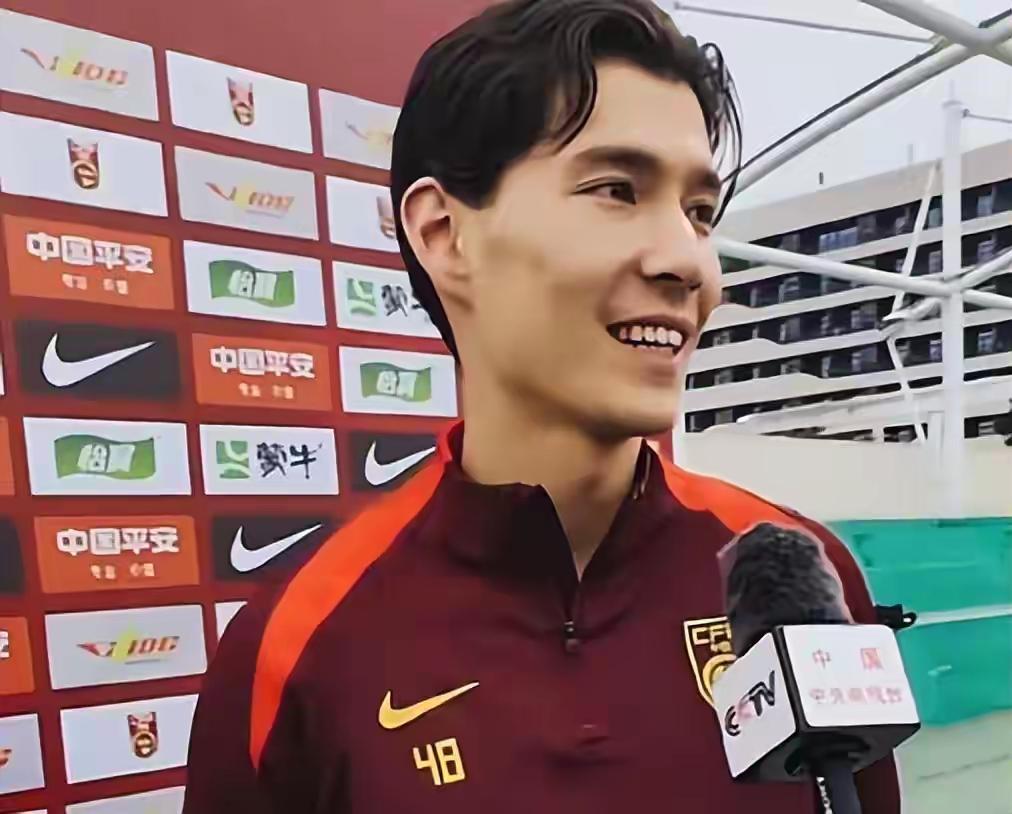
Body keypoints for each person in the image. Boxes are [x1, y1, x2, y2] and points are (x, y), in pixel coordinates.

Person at [183, 1, 901, 811]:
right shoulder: (292, 649)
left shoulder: (807, 579)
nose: (688, 261)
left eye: (700, 212)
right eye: (616, 190)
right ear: (444, 233)